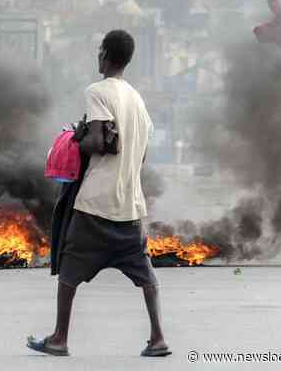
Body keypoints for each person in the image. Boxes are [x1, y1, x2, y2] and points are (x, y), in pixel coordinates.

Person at [27, 30, 170, 357]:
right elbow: (141, 152)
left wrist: (75, 138)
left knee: (69, 268)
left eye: (99, 51)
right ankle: (158, 337)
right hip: (131, 207)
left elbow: (99, 142)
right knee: (144, 272)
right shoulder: (136, 99)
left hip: (95, 204)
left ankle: (59, 338)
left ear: (105, 54)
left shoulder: (97, 92)